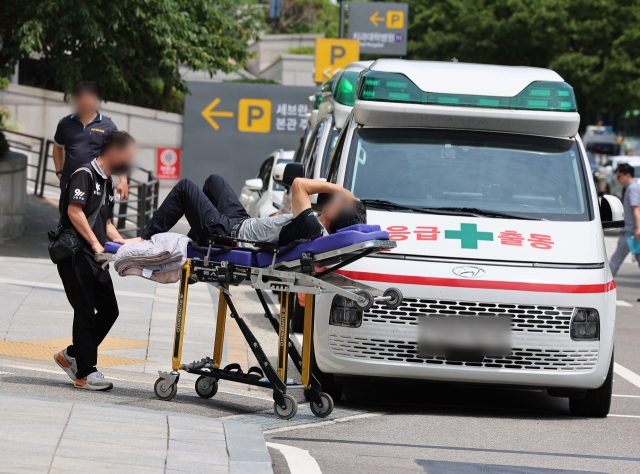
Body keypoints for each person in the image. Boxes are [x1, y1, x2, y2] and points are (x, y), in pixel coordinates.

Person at [53, 131, 138, 391]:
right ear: (114, 151)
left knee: (110, 310)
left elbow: (107, 223)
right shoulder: (85, 174)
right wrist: (94, 243)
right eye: (127, 154)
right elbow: (74, 211)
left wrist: (123, 242)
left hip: (96, 256)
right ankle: (85, 373)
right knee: (85, 311)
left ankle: (72, 354)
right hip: (78, 254)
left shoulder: (108, 181)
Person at [139, 174, 366, 246]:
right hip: (241, 223)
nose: (336, 198)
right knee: (214, 182)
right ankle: (198, 244)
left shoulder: (314, 229)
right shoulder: (315, 229)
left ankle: (145, 238)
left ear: (335, 214)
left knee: (185, 189)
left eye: (340, 201)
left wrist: (340, 188)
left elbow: (299, 184)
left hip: (229, 233)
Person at [53, 81, 129, 201]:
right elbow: (58, 147)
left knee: (92, 220)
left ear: (96, 99)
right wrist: (59, 171)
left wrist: (123, 181)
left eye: (89, 97)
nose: (85, 101)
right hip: (69, 185)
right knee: (68, 218)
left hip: (96, 188)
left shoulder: (108, 126)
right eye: (81, 97)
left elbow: (120, 153)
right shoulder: (65, 123)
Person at [609, 163, 640, 277]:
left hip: (631, 232)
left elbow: (636, 208)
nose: (618, 179)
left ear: (627, 175)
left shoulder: (632, 188)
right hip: (634, 231)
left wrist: (638, 228)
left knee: (614, 262)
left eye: (619, 176)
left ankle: (604, 289)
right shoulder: (634, 187)